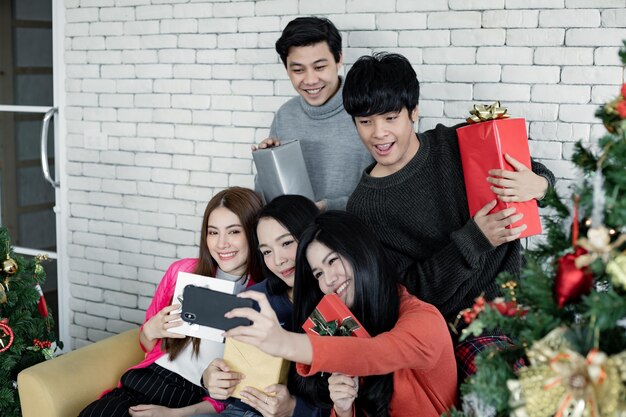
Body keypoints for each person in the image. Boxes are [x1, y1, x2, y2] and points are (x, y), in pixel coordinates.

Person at [341, 53, 556, 332]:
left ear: (414, 111)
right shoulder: (364, 208)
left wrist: (540, 187)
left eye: (391, 118)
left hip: (528, 297)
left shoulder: (456, 141)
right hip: (469, 327)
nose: (378, 133)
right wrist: (474, 240)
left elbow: (539, 175)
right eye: (365, 122)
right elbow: (412, 294)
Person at [223, 211, 458, 417]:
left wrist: (283, 342)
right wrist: (344, 409)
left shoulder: (424, 320)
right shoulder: (347, 324)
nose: (329, 280)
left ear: (361, 252)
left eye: (333, 260)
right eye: (318, 274)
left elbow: (377, 353)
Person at [79, 187, 264, 417]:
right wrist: (151, 329)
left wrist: (173, 414)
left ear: (254, 232)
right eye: (213, 232)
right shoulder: (182, 271)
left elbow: (234, 396)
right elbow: (147, 345)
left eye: (234, 231)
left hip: (189, 399)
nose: (221, 243)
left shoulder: (260, 298)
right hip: (144, 380)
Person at [202, 195, 324, 417]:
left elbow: (352, 400)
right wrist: (210, 379)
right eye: (267, 251)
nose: (278, 260)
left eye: (286, 243)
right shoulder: (255, 297)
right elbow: (234, 379)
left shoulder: (339, 299)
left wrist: (295, 408)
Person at [253, 17, 372, 211]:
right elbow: (266, 198)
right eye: (298, 70)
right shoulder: (285, 115)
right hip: (297, 235)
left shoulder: (366, 109)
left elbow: (387, 191)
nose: (310, 80)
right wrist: (268, 164)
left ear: (339, 59)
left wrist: (328, 207)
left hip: (350, 235)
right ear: (286, 69)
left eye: (319, 67)